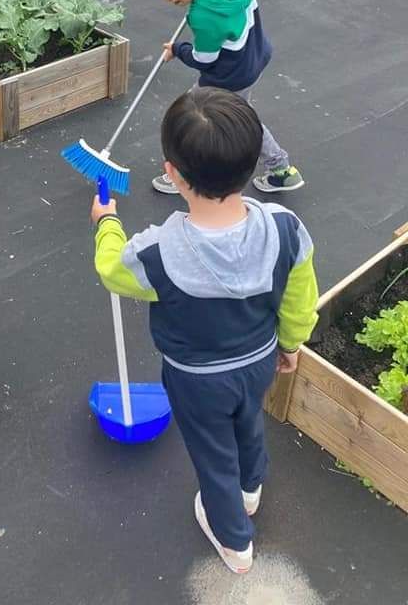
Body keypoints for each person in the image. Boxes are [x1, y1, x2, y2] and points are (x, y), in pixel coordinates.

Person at [91, 88, 318, 572]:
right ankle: (251, 488)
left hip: (195, 377)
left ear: (172, 172)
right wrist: (292, 342)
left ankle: (234, 540)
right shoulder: (285, 227)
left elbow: (112, 269)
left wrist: (107, 223)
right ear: (254, 164)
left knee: (213, 452)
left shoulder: (156, 251)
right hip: (258, 358)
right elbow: (300, 296)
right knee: (248, 420)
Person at [147, 0, 304, 194]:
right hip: (255, 56)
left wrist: (178, 48)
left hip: (227, 76)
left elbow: (203, 60)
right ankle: (281, 170)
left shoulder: (205, 16)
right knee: (241, 114)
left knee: (191, 116)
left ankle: (185, 174)